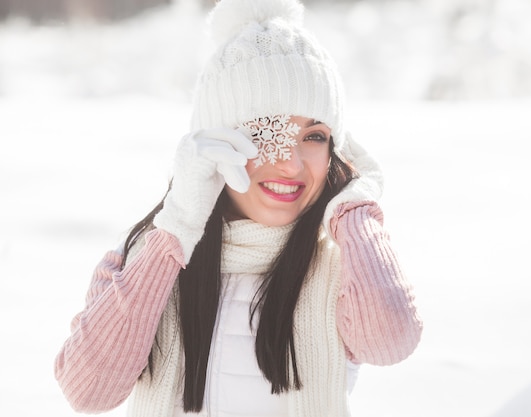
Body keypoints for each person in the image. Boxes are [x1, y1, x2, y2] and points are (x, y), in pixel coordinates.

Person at [54, 0, 422, 416]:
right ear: (216, 145)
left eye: (315, 136)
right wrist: (177, 228)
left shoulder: (345, 265)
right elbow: (89, 392)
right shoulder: (144, 259)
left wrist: (356, 207)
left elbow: (390, 342)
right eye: (267, 132)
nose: (291, 163)